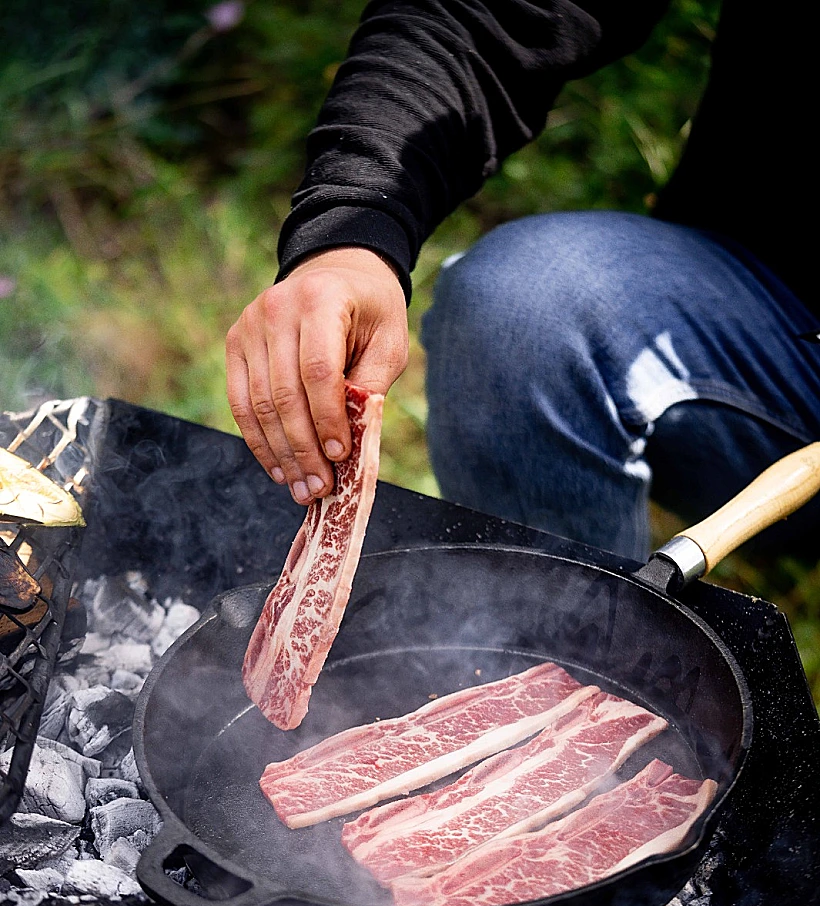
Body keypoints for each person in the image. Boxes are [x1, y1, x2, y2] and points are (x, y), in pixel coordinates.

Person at [225, 0, 820, 560]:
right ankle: (561, 631)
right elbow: (477, 14)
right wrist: (351, 235)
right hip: (768, 312)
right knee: (520, 311)